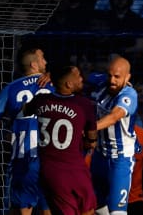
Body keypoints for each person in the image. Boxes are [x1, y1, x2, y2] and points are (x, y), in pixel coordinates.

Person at [24, 65, 98, 215]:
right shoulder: (84, 105)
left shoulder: (41, 100)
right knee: (88, 209)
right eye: (78, 76)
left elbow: (25, 110)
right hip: (76, 168)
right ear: (69, 84)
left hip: (51, 171)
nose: (81, 78)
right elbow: (92, 139)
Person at [0, 48, 55, 215]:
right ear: (34, 64)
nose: (46, 62)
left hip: (23, 156)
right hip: (50, 155)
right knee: (47, 208)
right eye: (43, 58)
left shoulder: (11, 88)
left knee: (22, 209)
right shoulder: (54, 84)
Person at [90, 56, 139, 215]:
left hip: (121, 158)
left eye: (117, 77)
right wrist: (50, 76)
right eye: (109, 75)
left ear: (127, 77)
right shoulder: (101, 82)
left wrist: (89, 129)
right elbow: (78, 76)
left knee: (117, 212)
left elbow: (113, 117)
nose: (112, 80)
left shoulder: (129, 94)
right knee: (95, 202)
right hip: (100, 155)